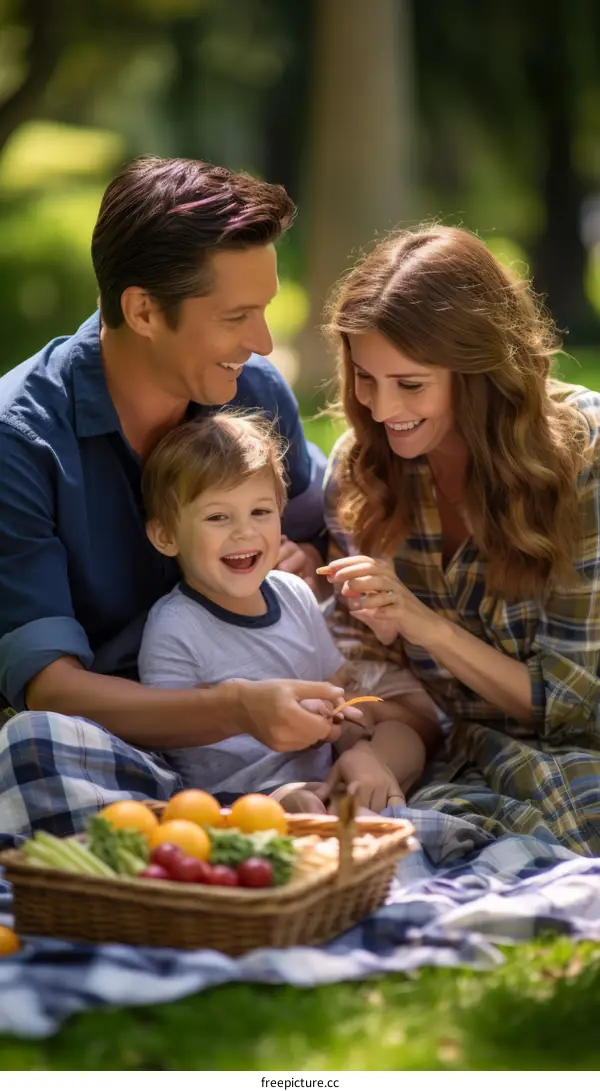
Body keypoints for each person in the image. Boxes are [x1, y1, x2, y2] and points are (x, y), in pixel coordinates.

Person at [0, 156, 344, 837]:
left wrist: (301, 552)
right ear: (144, 310)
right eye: (236, 316)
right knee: (30, 746)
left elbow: (324, 526)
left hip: (260, 746)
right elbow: (52, 687)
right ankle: (224, 829)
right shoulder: (20, 442)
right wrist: (236, 708)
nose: (262, 342)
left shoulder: (253, 391)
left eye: (265, 310)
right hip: (114, 738)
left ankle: (213, 831)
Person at [322, 224, 600, 855]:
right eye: (366, 377)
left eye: (411, 384)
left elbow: (568, 704)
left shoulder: (584, 453)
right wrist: (361, 746)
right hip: (455, 757)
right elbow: (379, 683)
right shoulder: (362, 469)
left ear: (476, 371)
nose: (382, 408)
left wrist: (428, 627)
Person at [138, 410, 438, 812]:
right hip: (243, 792)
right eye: (217, 517)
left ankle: (364, 776)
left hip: (325, 767)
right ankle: (336, 806)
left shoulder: (294, 594)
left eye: (260, 512)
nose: (244, 531)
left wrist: (354, 740)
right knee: (297, 805)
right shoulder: (174, 625)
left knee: (403, 736)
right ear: (166, 535)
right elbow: (174, 734)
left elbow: (340, 696)